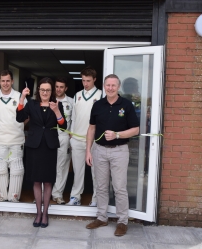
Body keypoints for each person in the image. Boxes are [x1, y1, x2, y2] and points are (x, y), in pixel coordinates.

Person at [85, 74, 139, 237]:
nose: (110, 88)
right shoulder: (98, 105)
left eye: (113, 85)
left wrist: (117, 135)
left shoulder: (127, 105)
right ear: (104, 86)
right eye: (107, 85)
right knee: (101, 187)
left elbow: (135, 129)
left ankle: (122, 221)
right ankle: (102, 218)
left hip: (119, 150)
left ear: (118, 87)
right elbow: (91, 129)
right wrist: (88, 150)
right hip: (99, 150)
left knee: (119, 188)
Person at [16, 77, 67, 228]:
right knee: (37, 180)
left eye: (48, 90)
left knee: (48, 180)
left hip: (49, 147)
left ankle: (45, 214)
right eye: (42, 89)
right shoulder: (31, 104)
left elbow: (63, 127)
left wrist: (56, 110)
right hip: (34, 146)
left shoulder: (57, 104)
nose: (45, 92)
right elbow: (19, 118)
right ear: (38, 91)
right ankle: (38, 212)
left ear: (52, 91)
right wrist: (22, 97)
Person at [67, 66, 102, 206]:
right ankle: (75, 197)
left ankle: (95, 199)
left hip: (94, 141)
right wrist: (71, 133)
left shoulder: (100, 95)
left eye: (88, 80)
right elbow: (74, 117)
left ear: (94, 79)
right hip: (77, 139)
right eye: (83, 80)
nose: (85, 83)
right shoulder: (77, 95)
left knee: (96, 173)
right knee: (77, 172)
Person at [0, 69, 26, 202]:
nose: (5, 83)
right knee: (0, 168)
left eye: (8, 81)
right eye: (3, 81)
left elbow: (26, 117)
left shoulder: (19, 96)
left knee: (16, 169)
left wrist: (17, 126)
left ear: (12, 81)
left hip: (17, 139)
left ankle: (14, 197)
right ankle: (1, 196)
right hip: (0, 139)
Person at [51, 77, 73, 204]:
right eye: (57, 86)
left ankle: (57, 194)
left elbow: (75, 119)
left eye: (61, 87)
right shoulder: (48, 99)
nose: (58, 89)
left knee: (62, 167)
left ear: (66, 88)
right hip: (49, 137)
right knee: (47, 166)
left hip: (64, 137)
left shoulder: (71, 102)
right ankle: (43, 193)